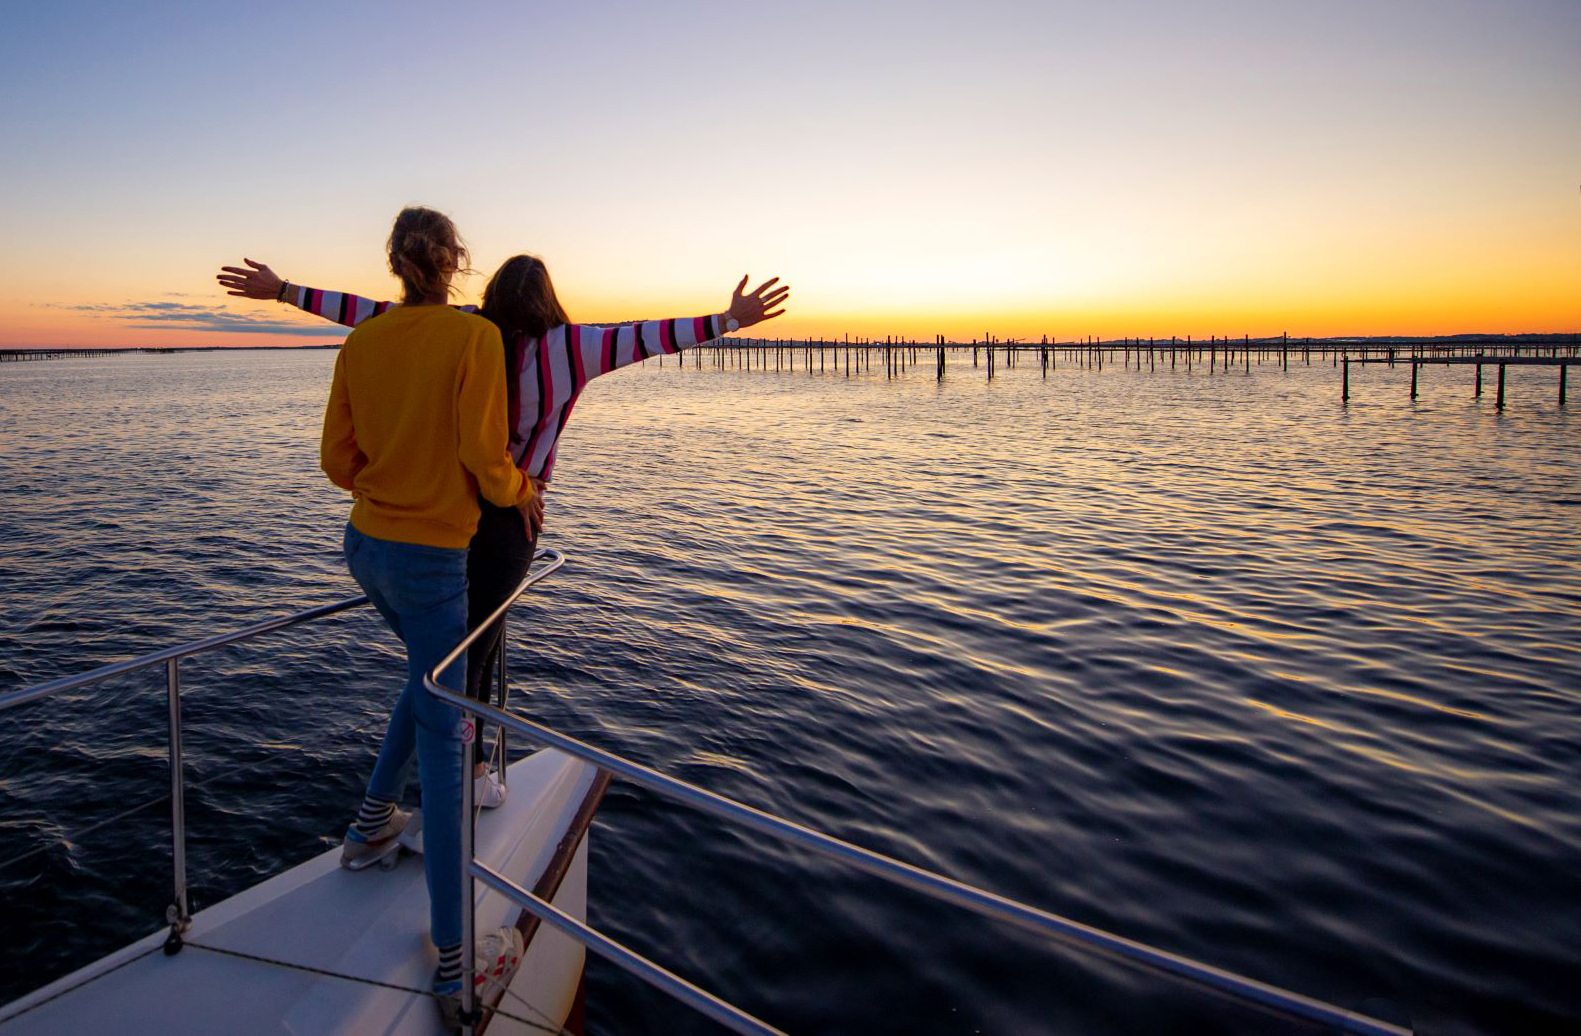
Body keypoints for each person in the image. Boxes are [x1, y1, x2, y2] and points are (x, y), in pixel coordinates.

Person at [217, 252, 789, 794]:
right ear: (549, 299)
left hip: (449, 507)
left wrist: (286, 291)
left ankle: (455, 773)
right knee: (474, 652)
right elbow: (648, 337)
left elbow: (373, 314)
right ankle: (461, 779)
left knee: (463, 650)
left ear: (491, 294)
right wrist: (729, 319)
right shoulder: (576, 346)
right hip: (514, 511)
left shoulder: (466, 329)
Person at [310, 206, 538, 1027]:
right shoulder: (474, 338)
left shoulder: (364, 340)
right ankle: (452, 967)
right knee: (446, 752)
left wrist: (387, 482)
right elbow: (485, 457)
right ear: (454, 260)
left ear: (396, 263)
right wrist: (523, 491)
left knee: (425, 680)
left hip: (365, 548)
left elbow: (336, 460)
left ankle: (371, 825)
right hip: (436, 559)